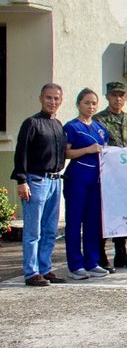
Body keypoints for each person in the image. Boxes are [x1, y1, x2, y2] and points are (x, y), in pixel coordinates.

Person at [12, 84, 68, 286]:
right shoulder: (32, 123)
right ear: (40, 98)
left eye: (56, 98)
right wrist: (21, 180)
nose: (52, 102)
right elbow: (21, 153)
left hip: (55, 182)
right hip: (35, 182)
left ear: (61, 101)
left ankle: (45, 268)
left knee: (50, 229)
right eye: (48, 98)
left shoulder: (58, 124)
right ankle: (31, 272)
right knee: (33, 231)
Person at [94, 81, 127, 269]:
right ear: (107, 97)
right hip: (107, 176)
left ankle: (121, 254)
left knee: (123, 214)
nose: (118, 99)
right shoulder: (99, 120)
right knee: (106, 215)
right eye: (114, 95)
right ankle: (100, 254)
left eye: (122, 95)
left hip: (126, 177)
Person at [62, 88, 110, 279]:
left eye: (94, 103)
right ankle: (75, 264)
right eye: (86, 103)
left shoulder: (100, 127)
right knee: (74, 222)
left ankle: (92, 261)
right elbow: (66, 153)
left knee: (94, 222)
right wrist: (88, 149)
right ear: (78, 105)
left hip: (96, 181)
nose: (90, 106)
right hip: (77, 179)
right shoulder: (72, 127)